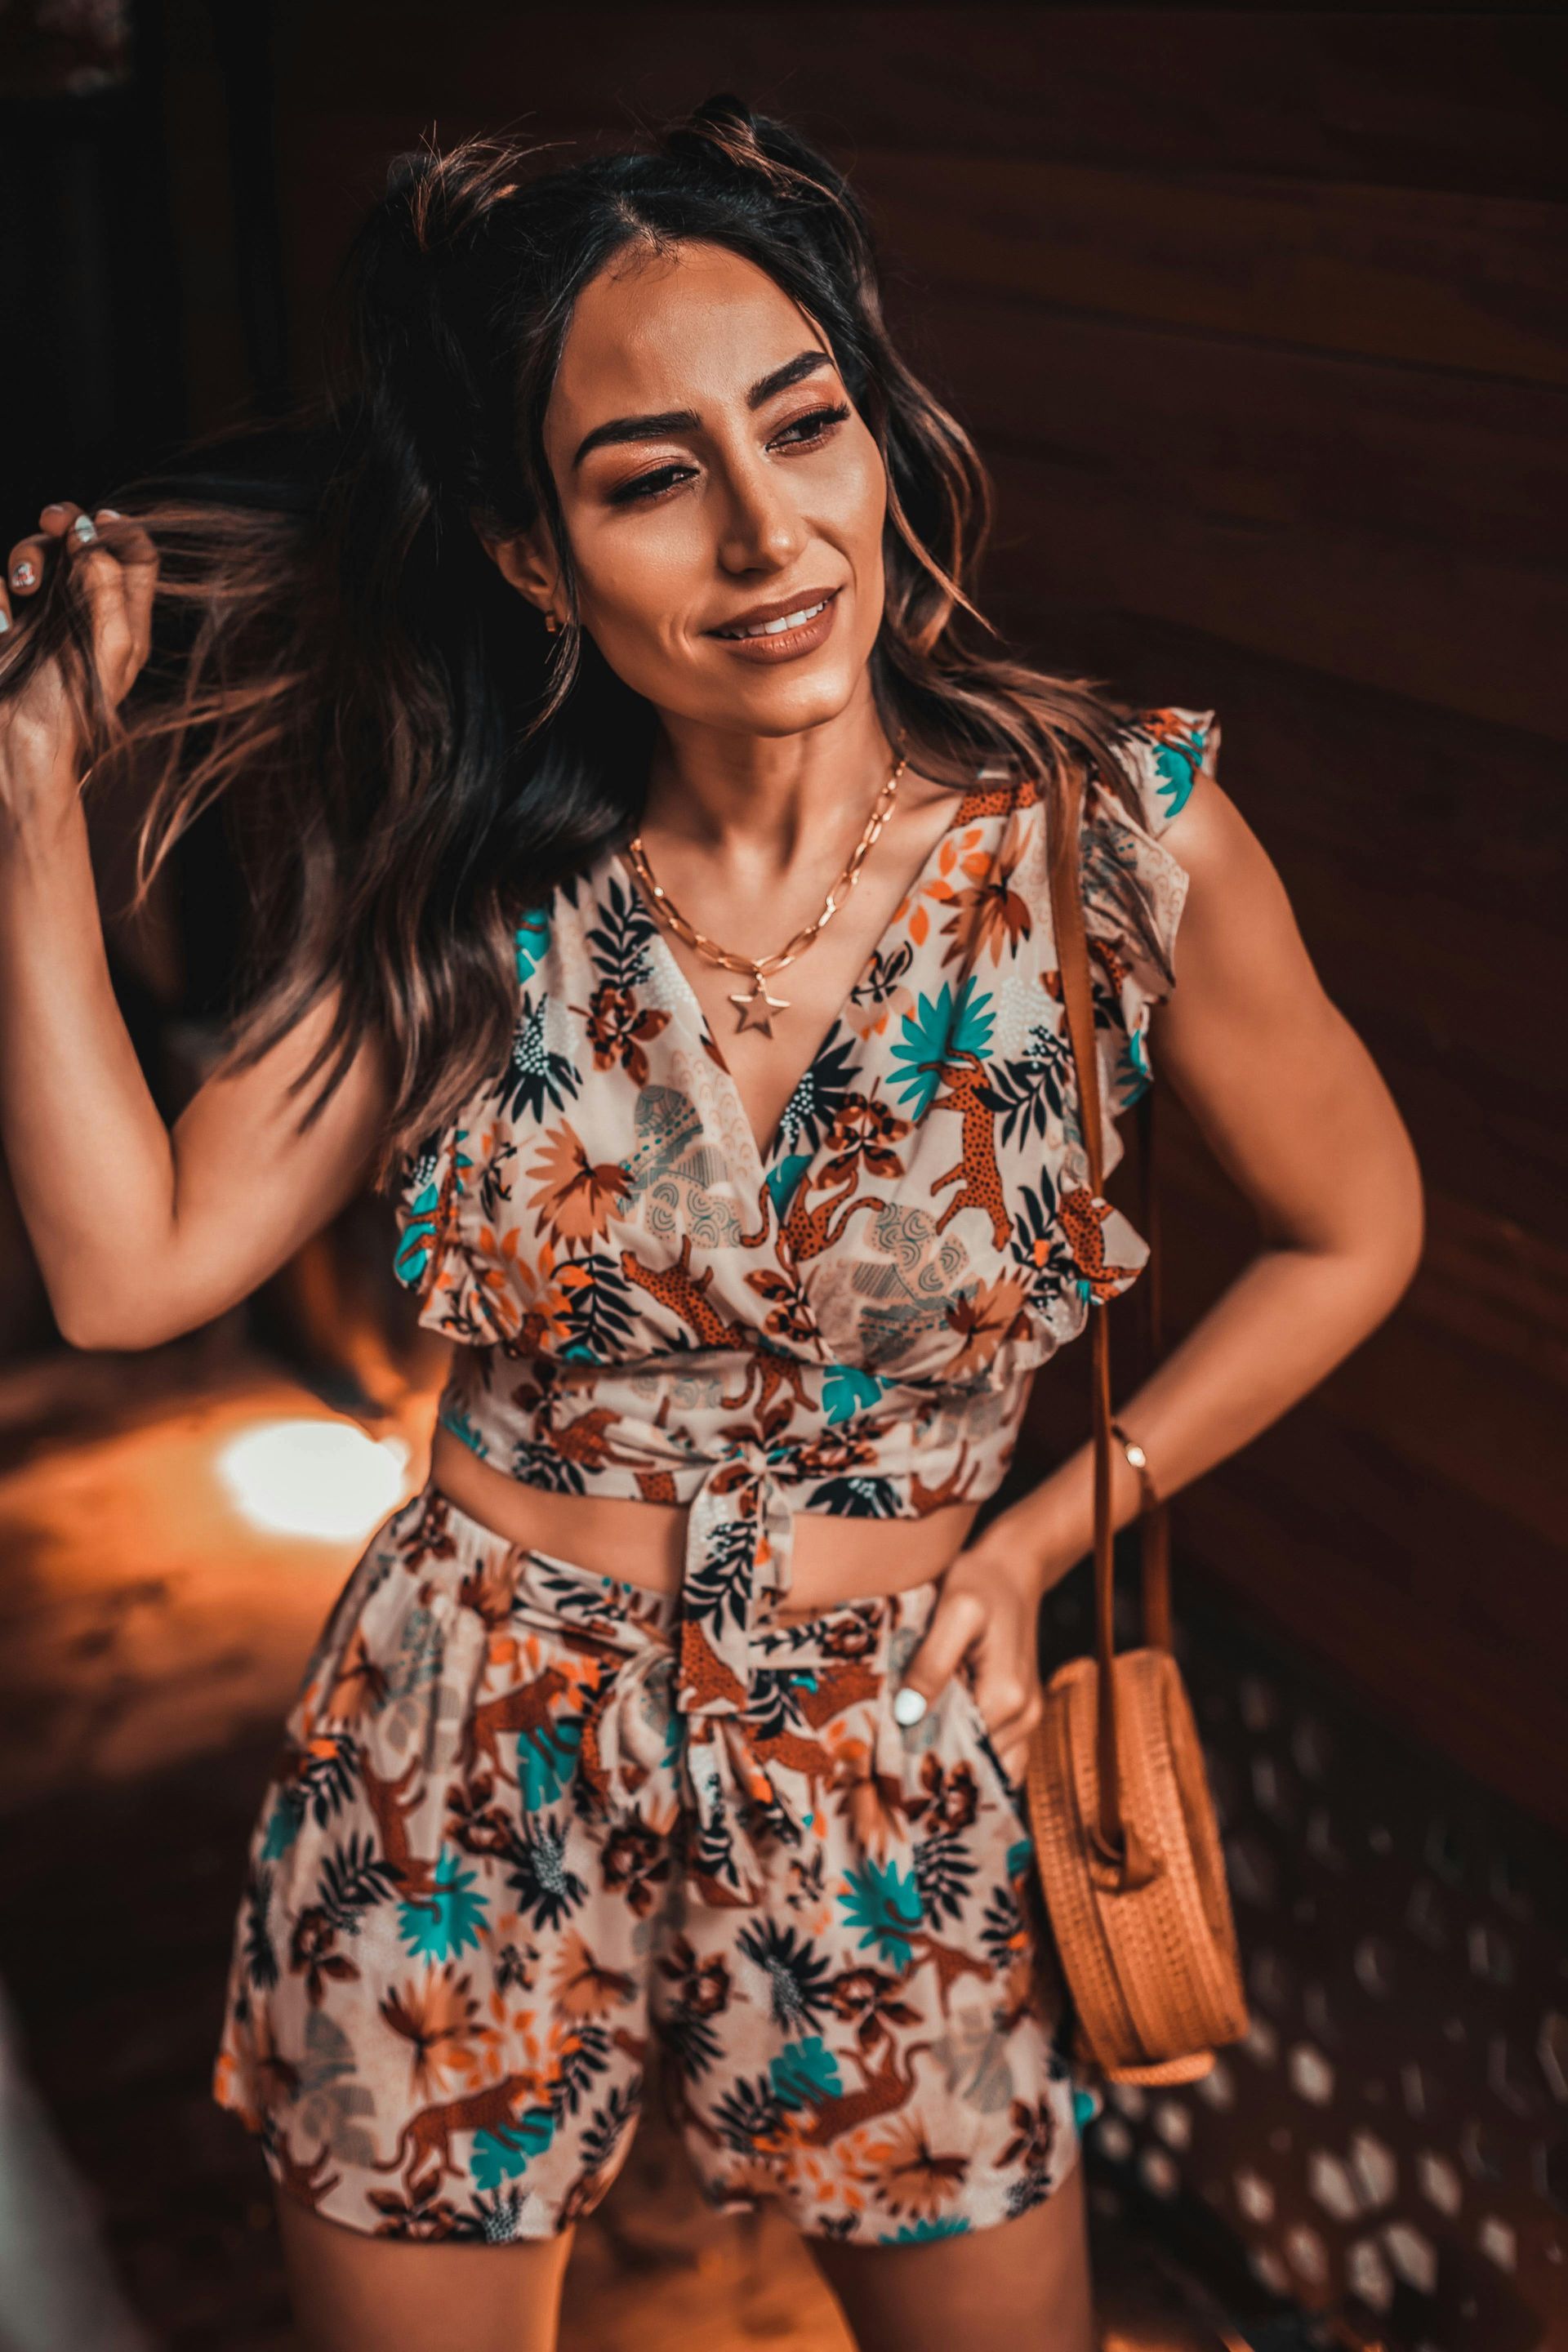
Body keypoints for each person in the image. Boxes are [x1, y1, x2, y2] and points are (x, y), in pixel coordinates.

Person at [0, 92, 1423, 2352]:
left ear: (884, 438)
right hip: (467, 1738)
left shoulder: (1114, 840)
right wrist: (31, 806)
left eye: (809, 428)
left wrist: (1046, 1540)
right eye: (653, 477)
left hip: (882, 1743)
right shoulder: (457, 887)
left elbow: (1359, 1228)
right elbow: (130, 1266)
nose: (772, 535)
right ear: (533, 556)